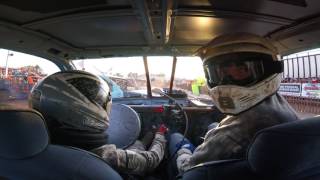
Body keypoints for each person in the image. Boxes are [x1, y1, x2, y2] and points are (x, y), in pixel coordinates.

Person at [169, 32, 300, 175]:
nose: (227, 82)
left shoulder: (239, 130)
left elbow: (188, 167)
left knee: (176, 138)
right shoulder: (277, 103)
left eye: (242, 70)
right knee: (212, 126)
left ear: (269, 69)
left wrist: (183, 152)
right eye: (220, 73)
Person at [29, 70, 167, 175]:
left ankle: (144, 140)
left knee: (138, 145)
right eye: (101, 102)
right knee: (140, 147)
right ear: (80, 109)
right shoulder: (105, 156)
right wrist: (160, 136)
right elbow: (151, 160)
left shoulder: (29, 145)